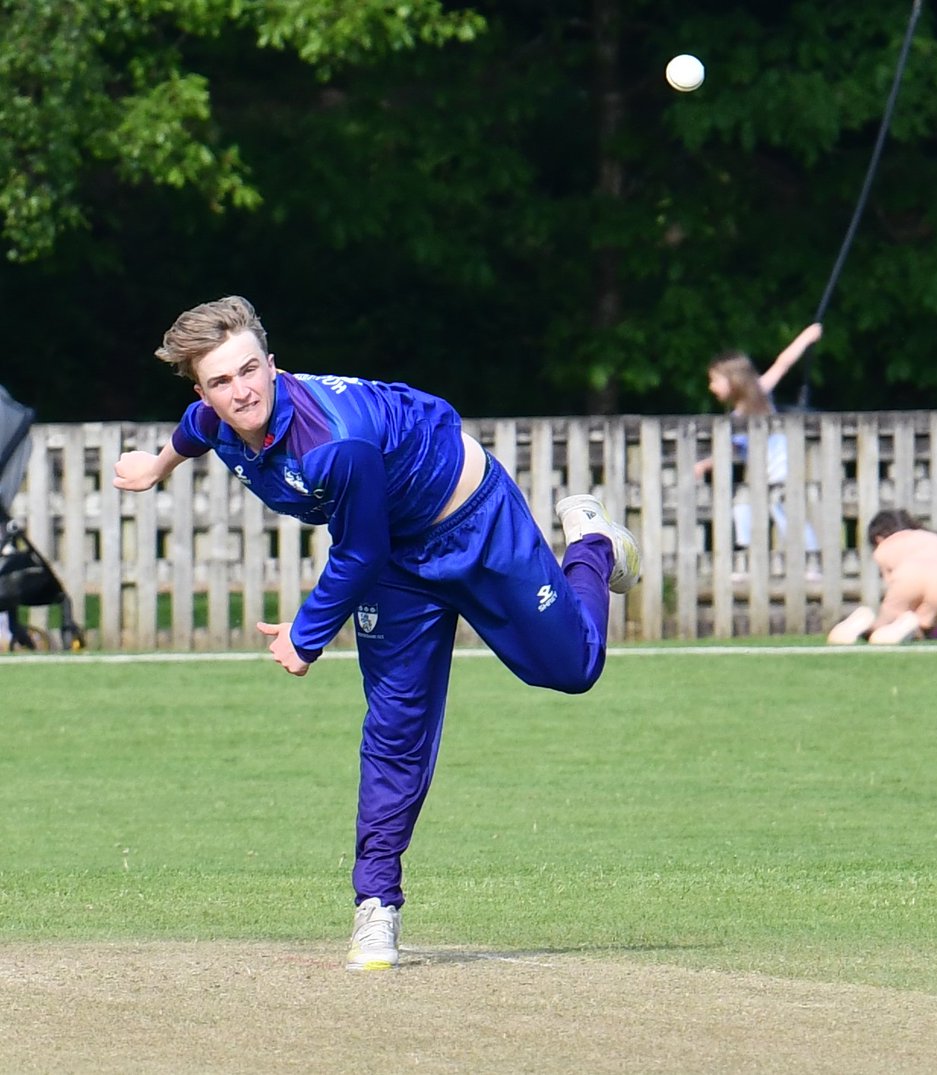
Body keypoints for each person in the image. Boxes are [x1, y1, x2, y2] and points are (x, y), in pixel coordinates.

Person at [112, 296, 641, 972]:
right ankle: (377, 907)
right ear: (203, 389)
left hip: (470, 518)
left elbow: (357, 552)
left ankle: (591, 542)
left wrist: (304, 637)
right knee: (395, 727)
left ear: (273, 365)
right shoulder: (215, 420)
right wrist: (159, 465)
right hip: (397, 560)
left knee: (572, 667)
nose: (240, 390)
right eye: (220, 381)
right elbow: (194, 429)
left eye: (250, 370)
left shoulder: (335, 443)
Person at [693, 323, 823, 576]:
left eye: (715, 381)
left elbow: (783, 363)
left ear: (733, 380)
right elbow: (729, 452)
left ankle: (811, 565)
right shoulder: (736, 418)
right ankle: (748, 563)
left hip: (780, 470)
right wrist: (704, 465)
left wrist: (806, 337)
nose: (712, 387)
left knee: (788, 515)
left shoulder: (759, 393)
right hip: (760, 476)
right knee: (742, 508)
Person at [827, 509, 937, 645]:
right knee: (924, 625)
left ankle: (866, 622)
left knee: (885, 623)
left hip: (908, 575)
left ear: (878, 539)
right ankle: (910, 625)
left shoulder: (884, 548)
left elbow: (894, 585)